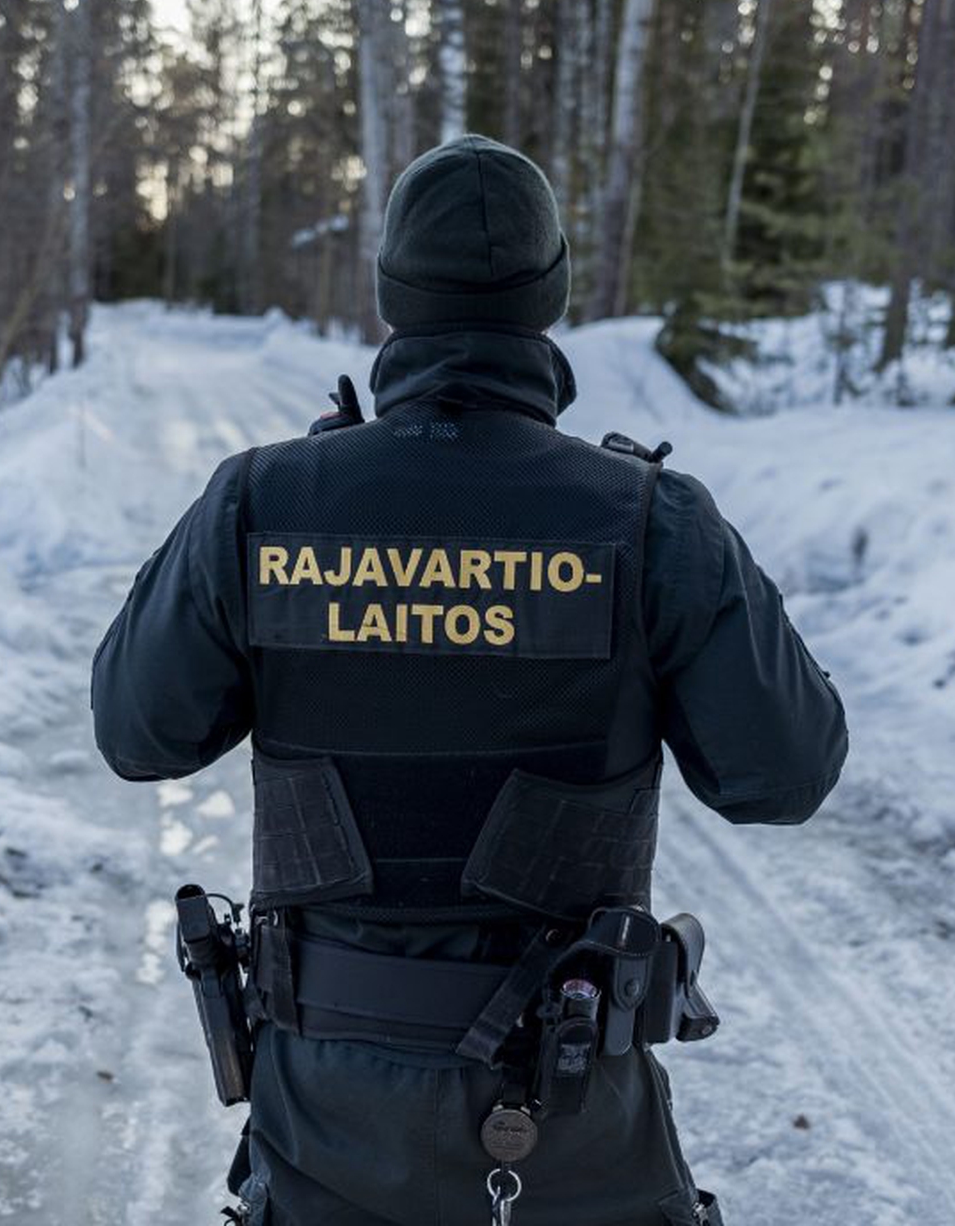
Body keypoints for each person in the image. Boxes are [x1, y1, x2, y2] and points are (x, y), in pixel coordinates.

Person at [92, 135, 848, 1226]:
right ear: (551, 295)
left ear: (392, 294)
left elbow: (137, 730)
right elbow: (784, 773)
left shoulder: (263, 501)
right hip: (574, 1123)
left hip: (324, 1128)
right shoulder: (646, 517)